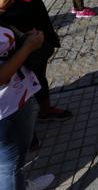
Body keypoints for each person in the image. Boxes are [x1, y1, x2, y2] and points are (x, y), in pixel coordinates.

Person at [0, 0, 71, 122]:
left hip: (38, 45)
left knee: (40, 78)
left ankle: (45, 110)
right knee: (24, 87)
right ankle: (27, 131)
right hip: (18, 52)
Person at [0, 24, 56, 190]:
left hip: (12, 101)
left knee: (7, 164)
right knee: (9, 167)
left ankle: (19, 184)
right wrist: (27, 47)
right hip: (7, 109)